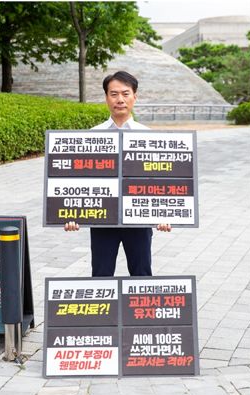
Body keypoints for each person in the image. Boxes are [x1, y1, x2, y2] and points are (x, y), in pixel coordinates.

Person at [64, 71, 171, 277]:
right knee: (101, 275)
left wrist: (163, 214)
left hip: (139, 220)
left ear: (134, 97)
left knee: (142, 275)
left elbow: (157, 179)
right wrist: (71, 214)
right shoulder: (92, 136)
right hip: (103, 220)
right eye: (114, 94)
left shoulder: (149, 136)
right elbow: (80, 180)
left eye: (125, 93)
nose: (120, 99)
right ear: (106, 98)